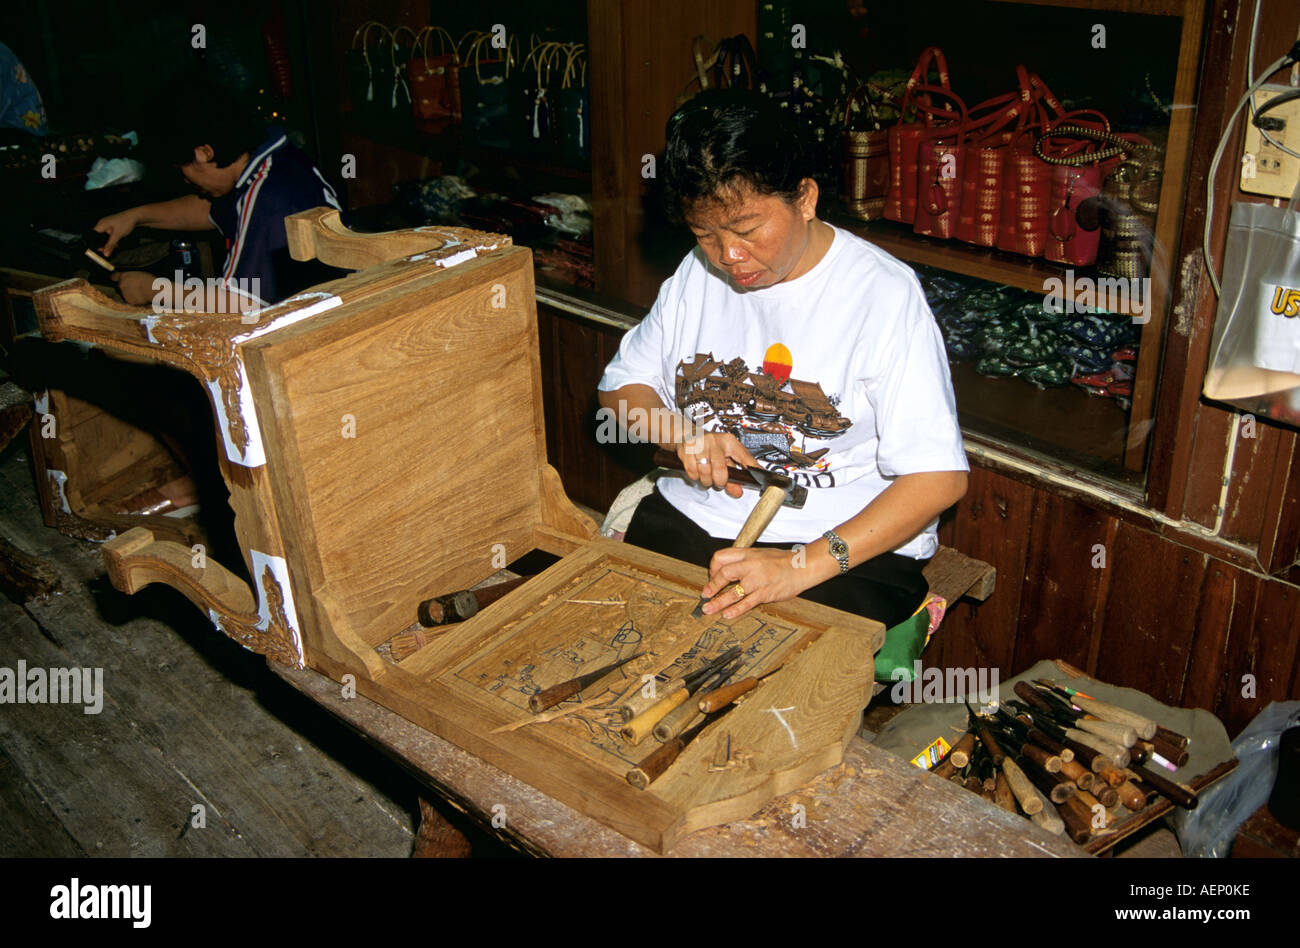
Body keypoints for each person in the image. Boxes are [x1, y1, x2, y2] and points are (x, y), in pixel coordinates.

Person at [597, 89, 968, 631]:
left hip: (840, 548)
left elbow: (938, 479)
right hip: (695, 519)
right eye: (705, 234)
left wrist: (797, 567)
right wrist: (680, 433)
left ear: (806, 198)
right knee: (625, 634)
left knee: (777, 678)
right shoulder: (697, 275)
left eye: (747, 230)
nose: (729, 256)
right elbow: (620, 389)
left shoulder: (882, 295)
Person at [93, 84, 342, 312]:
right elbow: (209, 210)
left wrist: (155, 290)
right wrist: (135, 217)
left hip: (317, 326)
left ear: (203, 153)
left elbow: (242, 304)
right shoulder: (273, 160)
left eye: (184, 172)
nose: (187, 182)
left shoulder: (267, 195)